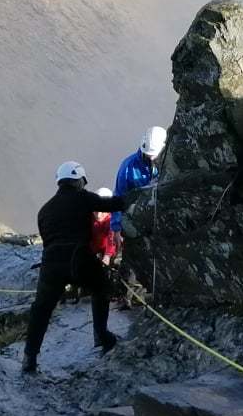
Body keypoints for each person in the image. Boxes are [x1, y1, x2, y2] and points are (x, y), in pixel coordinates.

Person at [23, 162, 119, 374]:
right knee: (101, 287)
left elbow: (47, 239)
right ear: (79, 180)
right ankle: (101, 335)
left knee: (41, 309)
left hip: (51, 264)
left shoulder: (44, 210)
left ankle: (29, 357)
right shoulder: (82, 197)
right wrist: (136, 196)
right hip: (79, 258)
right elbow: (111, 204)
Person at [113, 127, 166, 199]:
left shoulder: (171, 166)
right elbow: (119, 198)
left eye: (154, 155)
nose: (151, 158)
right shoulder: (128, 167)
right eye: (149, 155)